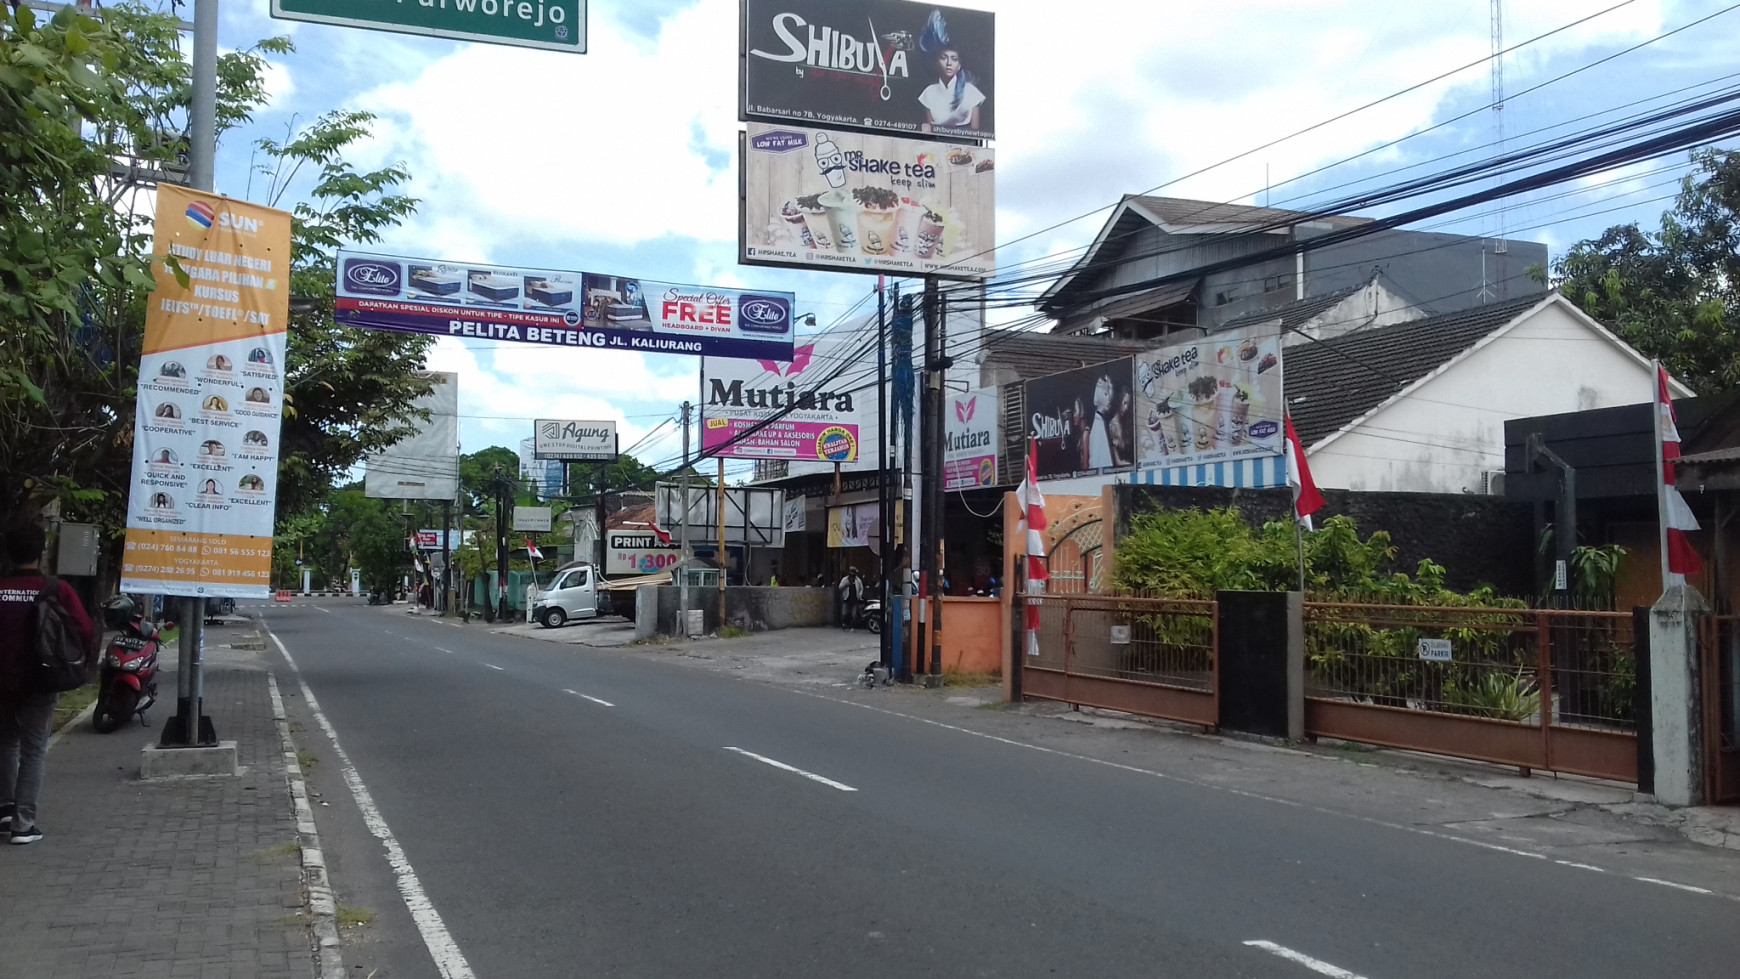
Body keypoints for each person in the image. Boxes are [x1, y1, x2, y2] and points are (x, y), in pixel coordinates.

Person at [0, 521, 95, 845]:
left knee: (6, 744)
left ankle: (6, 809)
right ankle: (23, 825)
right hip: (41, 681)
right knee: (34, 750)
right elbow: (84, 629)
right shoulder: (56, 590)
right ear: (41, 553)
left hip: (2, 683)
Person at [917, 10, 985, 133]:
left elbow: (976, 132)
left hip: (966, 148)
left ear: (959, 65)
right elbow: (928, 132)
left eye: (954, 59)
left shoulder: (970, 91)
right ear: (937, 61)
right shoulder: (929, 93)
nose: (949, 63)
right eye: (944, 58)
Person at [837, 566, 865, 631]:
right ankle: (844, 624)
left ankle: (852, 626)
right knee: (844, 613)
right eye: (851, 572)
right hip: (846, 598)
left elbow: (861, 588)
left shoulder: (858, 580)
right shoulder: (845, 579)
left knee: (853, 614)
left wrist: (860, 595)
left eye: (853, 572)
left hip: (855, 599)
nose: (852, 574)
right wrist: (846, 585)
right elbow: (840, 588)